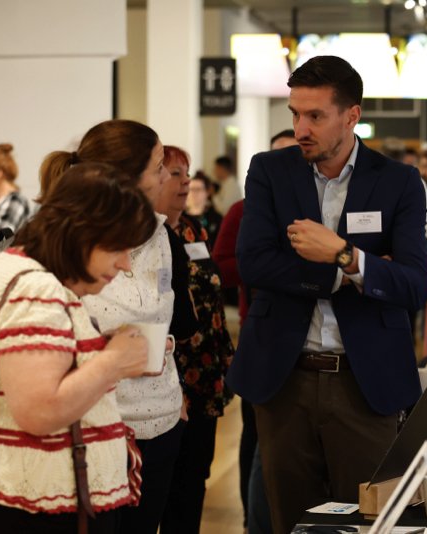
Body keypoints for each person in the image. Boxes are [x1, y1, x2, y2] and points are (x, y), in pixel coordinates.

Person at [227, 56, 427, 533]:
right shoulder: (269, 171)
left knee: (369, 523)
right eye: (295, 114)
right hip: (285, 379)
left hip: (365, 384)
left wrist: (343, 253)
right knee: (290, 522)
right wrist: (343, 277)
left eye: (315, 116)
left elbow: (414, 285)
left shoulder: (397, 181)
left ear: (351, 116)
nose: (301, 128)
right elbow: (254, 263)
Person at [0, 163, 156, 533]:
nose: (125, 263)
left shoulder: (16, 271)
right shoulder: (36, 290)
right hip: (19, 510)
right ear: (80, 233)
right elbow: (39, 411)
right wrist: (112, 362)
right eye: (118, 246)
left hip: (7, 499)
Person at [41, 120, 198, 534]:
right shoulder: (67, 244)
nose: (170, 177)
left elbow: (170, 319)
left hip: (161, 419)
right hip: (98, 424)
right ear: (126, 179)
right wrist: (110, 351)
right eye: (160, 167)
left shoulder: (164, 236)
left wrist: (172, 388)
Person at [213, 128, 297, 534]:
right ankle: (253, 520)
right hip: (259, 333)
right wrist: (267, 263)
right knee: (256, 435)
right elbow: (225, 267)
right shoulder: (243, 211)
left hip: (305, 338)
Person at [156, 145, 234, 533]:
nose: (186, 181)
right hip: (169, 378)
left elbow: (213, 302)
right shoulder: (145, 238)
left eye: (187, 173)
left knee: (193, 481)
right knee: (164, 485)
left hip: (205, 377)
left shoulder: (193, 230)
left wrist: (226, 357)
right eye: (174, 173)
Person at [185, 171, 222, 251]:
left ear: (207, 192)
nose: (194, 193)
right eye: (191, 189)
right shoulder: (180, 219)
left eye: (198, 189)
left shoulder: (217, 219)